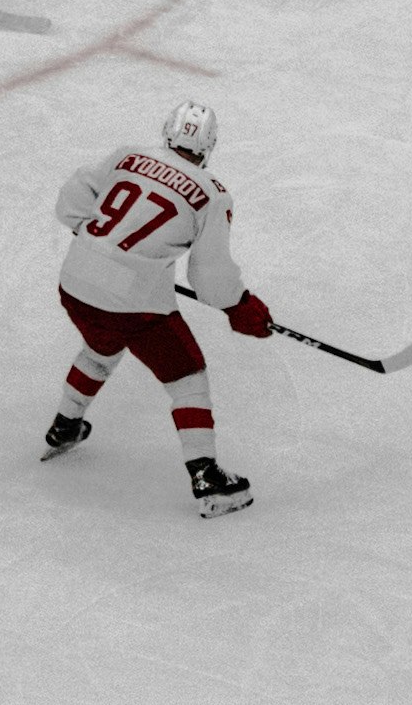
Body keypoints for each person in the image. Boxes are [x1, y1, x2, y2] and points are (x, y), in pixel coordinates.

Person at [46, 99, 267, 516]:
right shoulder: (212, 195)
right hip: (134, 305)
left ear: (166, 131)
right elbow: (211, 278)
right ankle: (206, 476)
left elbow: (70, 202)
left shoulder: (125, 156)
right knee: (186, 374)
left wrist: (99, 245)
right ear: (209, 146)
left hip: (75, 283)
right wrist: (240, 305)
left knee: (101, 345)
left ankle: (65, 425)